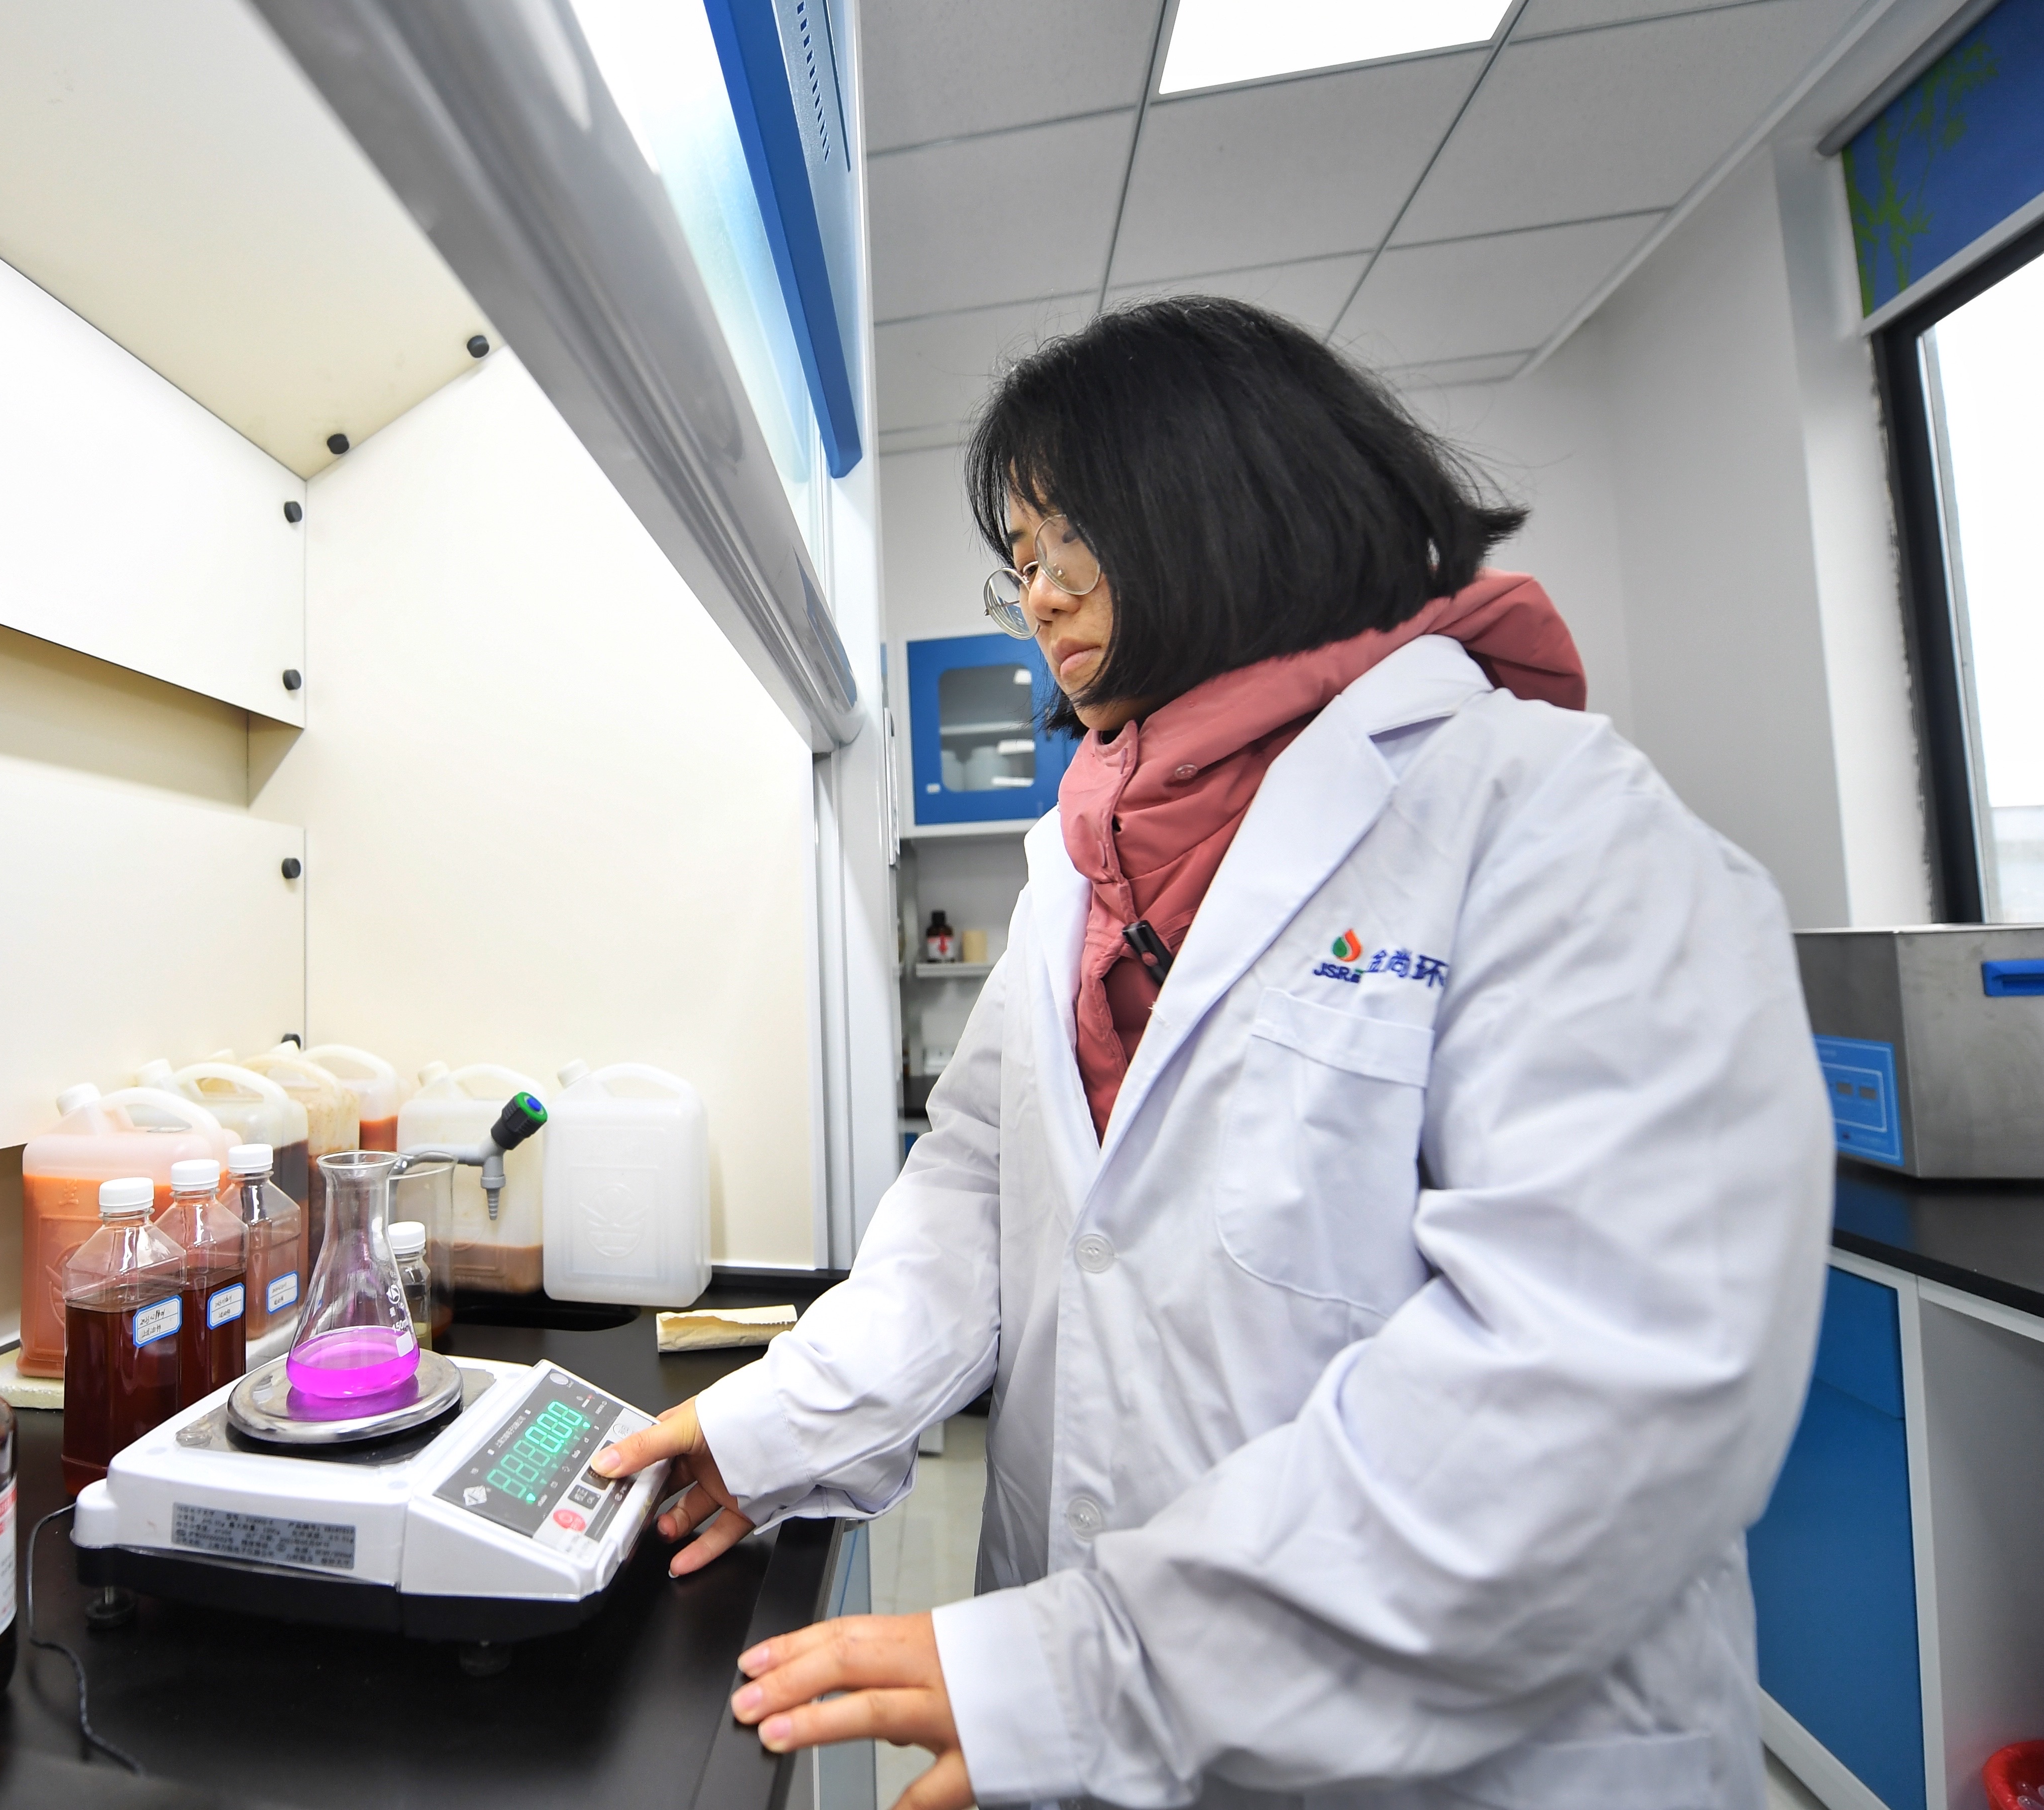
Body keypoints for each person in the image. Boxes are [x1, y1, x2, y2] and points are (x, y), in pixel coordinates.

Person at [596, 297, 1830, 1809]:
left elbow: (1595, 1388)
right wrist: (775, 1422)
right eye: (1020, 560)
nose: (1038, 598)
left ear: (1225, 506)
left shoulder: (1558, 825)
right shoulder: (1082, 871)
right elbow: (976, 1196)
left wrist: (1109, 1668)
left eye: (1070, 542)